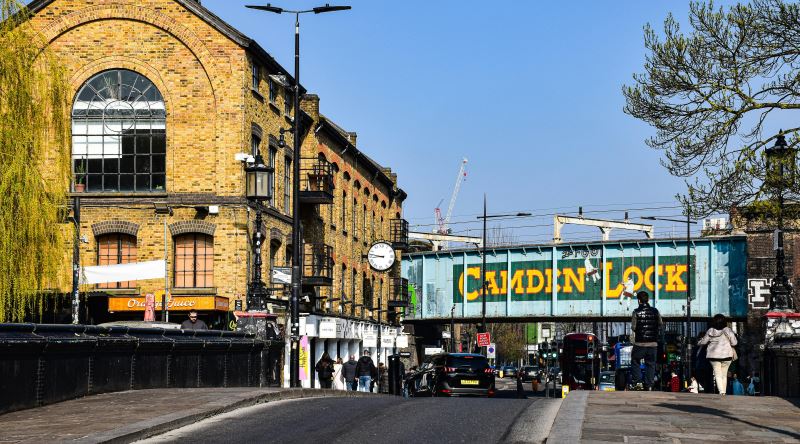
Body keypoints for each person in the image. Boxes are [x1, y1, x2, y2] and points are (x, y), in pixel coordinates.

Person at [629, 291, 662, 390]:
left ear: (638, 300)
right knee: (651, 363)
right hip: (653, 344)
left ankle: (638, 381)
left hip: (640, 343)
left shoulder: (636, 312)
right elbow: (660, 323)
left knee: (635, 360)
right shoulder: (655, 311)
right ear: (648, 300)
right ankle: (649, 385)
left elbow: (634, 327)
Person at [698, 313, 737, 395]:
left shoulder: (710, 331)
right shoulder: (728, 330)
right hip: (727, 355)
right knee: (724, 374)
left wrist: (699, 342)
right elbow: (734, 343)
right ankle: (724, 391)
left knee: (717, 374)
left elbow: (704, 342)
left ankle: (721, 391)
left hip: (714, 356)